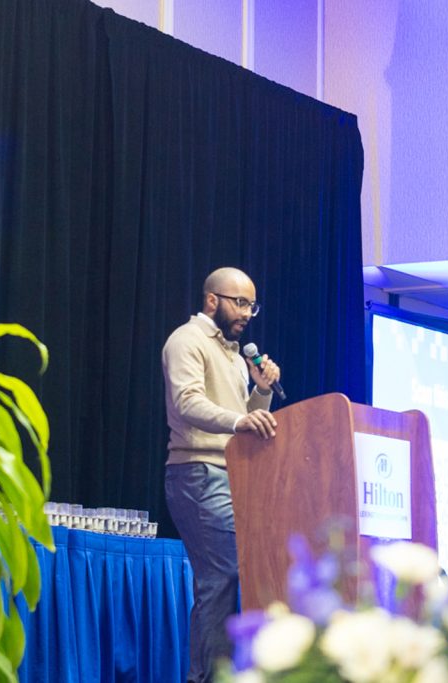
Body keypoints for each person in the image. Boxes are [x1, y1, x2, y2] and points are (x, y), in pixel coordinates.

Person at [162, 267, 281, 683]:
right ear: (212, 300)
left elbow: (245, 421)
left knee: (236, 576)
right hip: (197, 473)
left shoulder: (234, 354)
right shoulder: (186, 340)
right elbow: (187, 403)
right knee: (221, 577)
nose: (247, 313)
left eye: (252, 305)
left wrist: (261, 390)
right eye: (240, 303)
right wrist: (238, 420)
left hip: (232, 475)